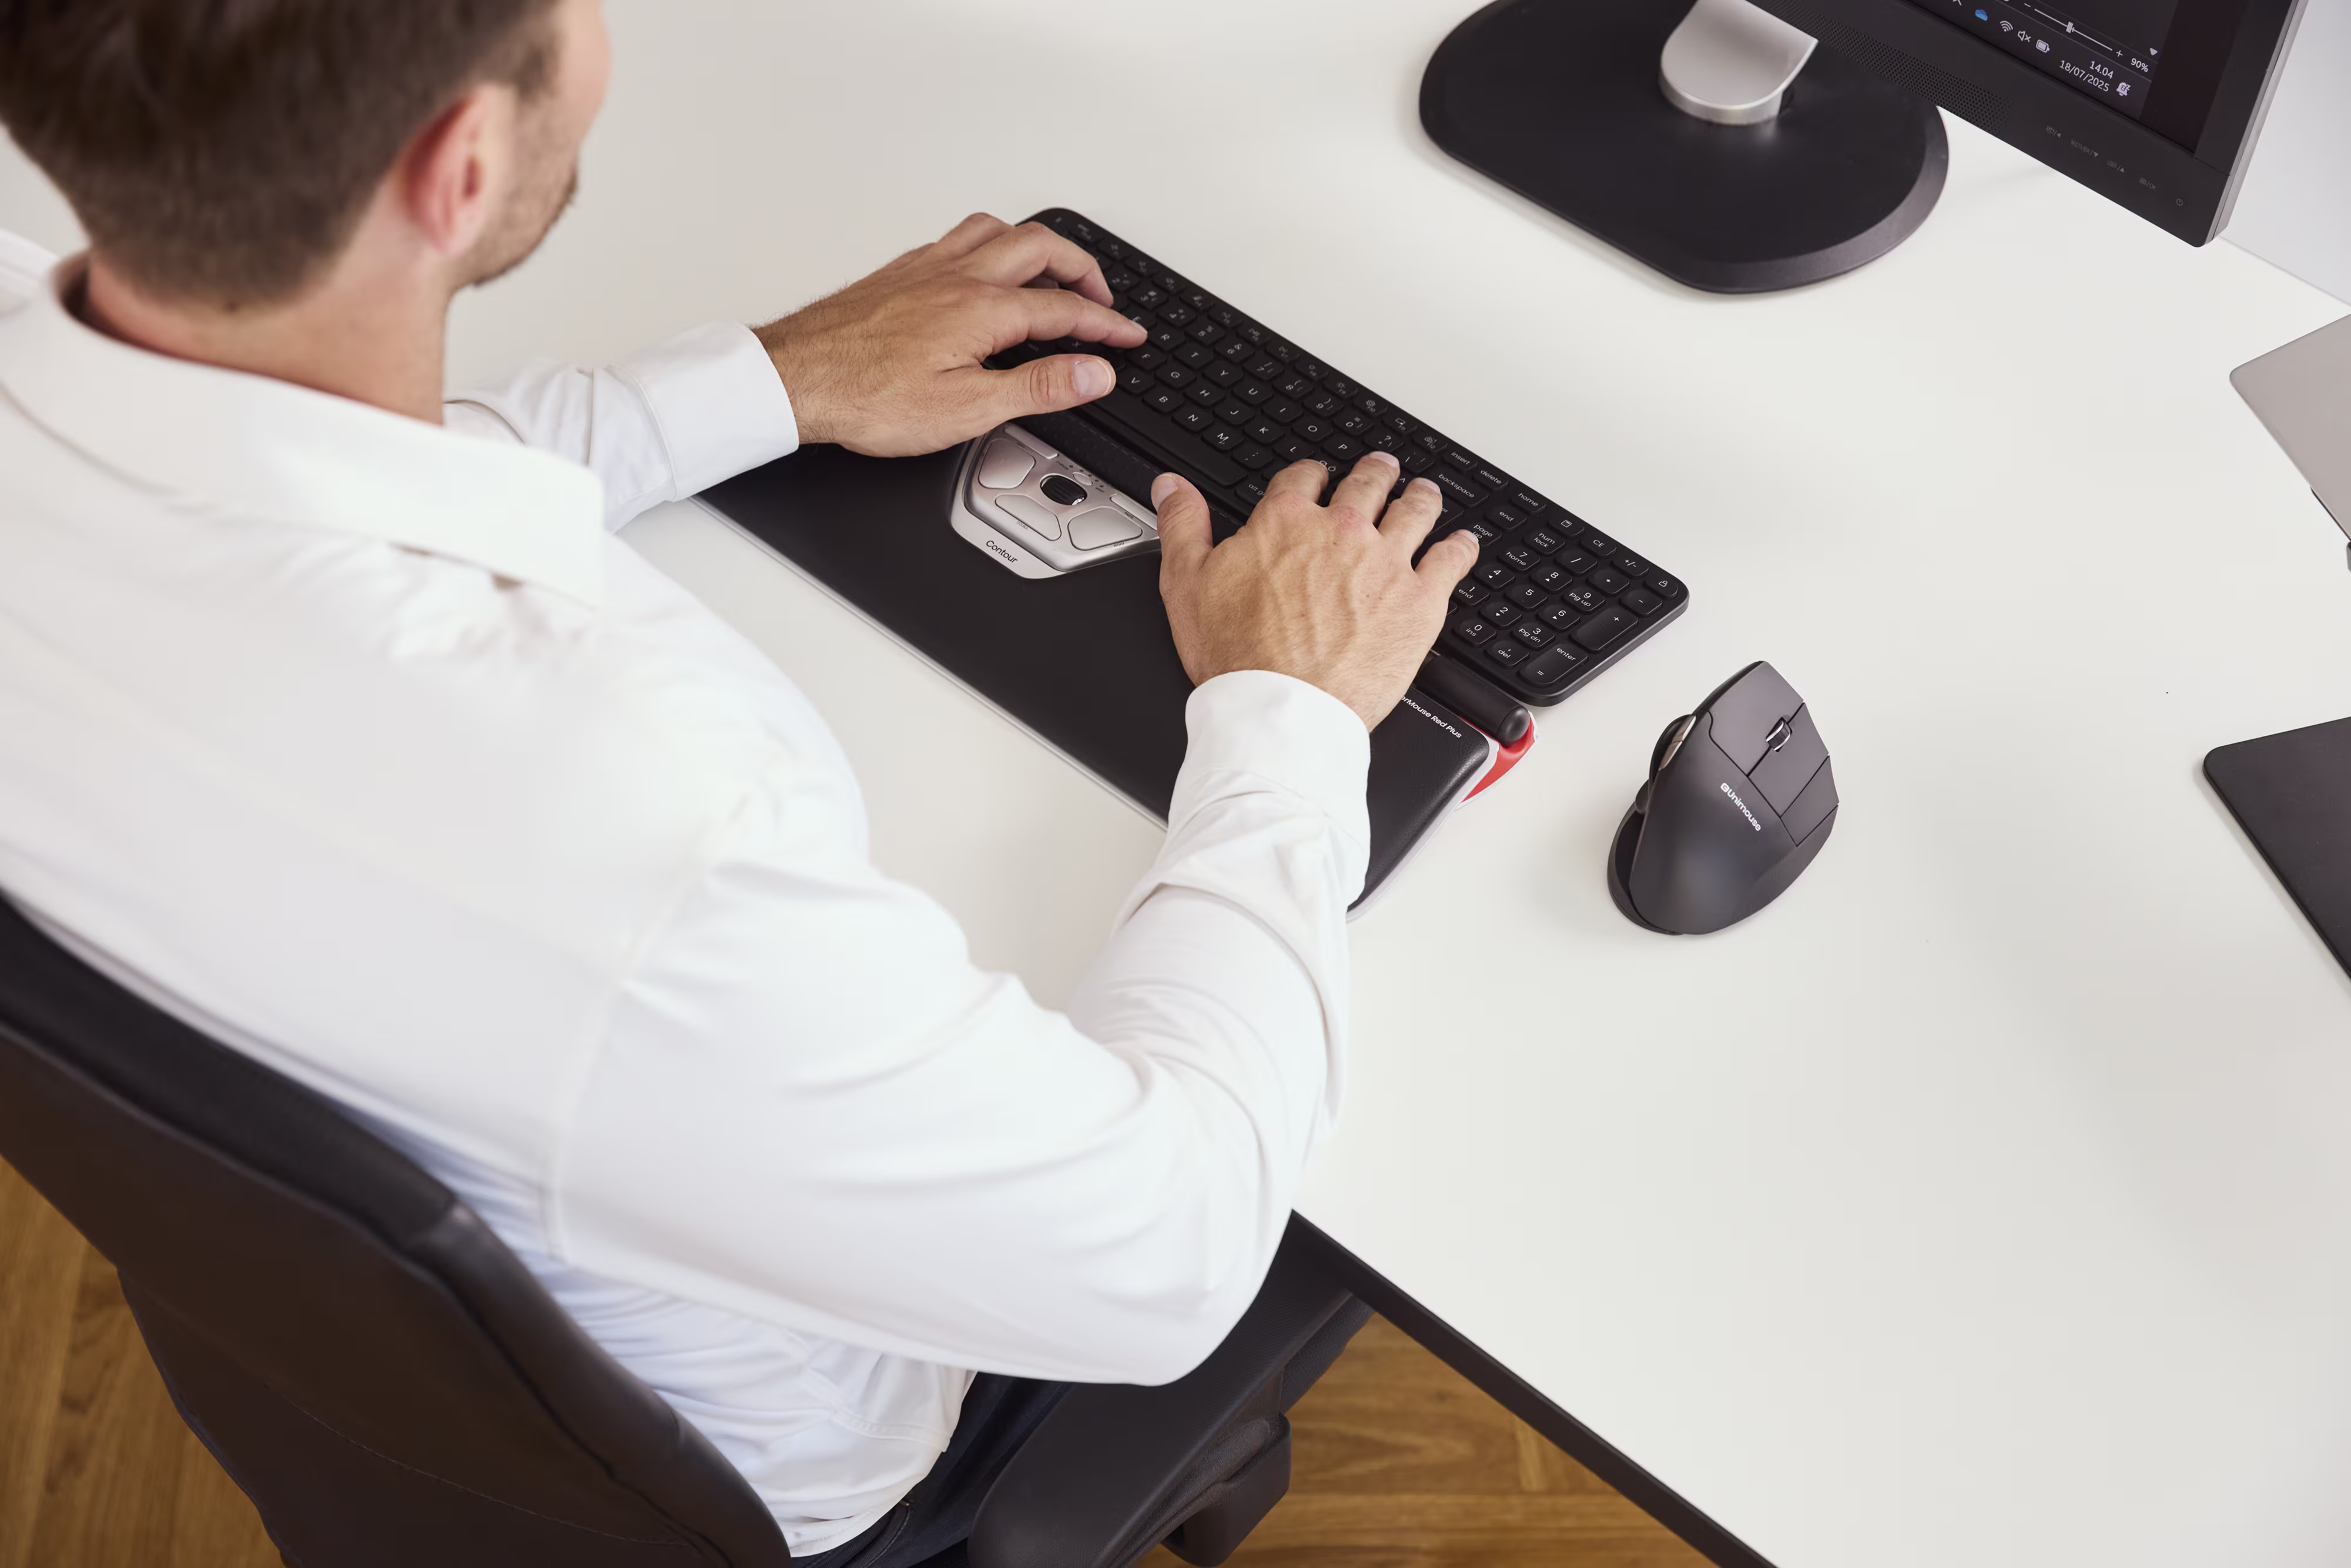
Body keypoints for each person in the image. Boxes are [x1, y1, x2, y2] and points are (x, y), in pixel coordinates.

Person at [0, 2, 1479, 1560]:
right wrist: (1287, 709)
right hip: (800, 1455)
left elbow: (265, 459)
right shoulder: (633, 824)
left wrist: (769, 379)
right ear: (460, 169)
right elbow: (1166, 1244)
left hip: (334, 1349)